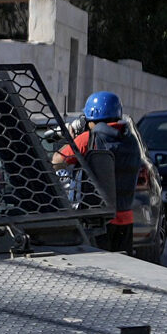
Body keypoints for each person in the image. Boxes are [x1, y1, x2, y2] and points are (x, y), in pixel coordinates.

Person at [54, 91, 143, 255]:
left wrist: (70, 140)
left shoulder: (88, 139)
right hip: (126, 219)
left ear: (92, 116)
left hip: (97, 221)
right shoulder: (131, 141)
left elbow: (57, 162)